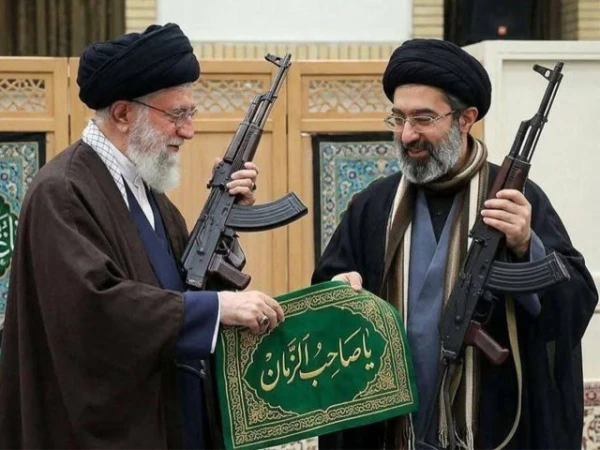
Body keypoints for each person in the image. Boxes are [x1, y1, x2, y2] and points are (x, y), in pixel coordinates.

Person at [0, 23, 284, 449]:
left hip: (174, 417)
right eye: (177, 115)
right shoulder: (63, 191)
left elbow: (183, 288)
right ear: (122, 114)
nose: (189, 131)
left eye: (190, 114)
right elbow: (95, 310)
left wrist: (225, 224)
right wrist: (217, 308)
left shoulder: (147, 193)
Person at [312, 39, 598, 450]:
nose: (407, 134)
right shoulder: (374, 206)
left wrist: (526, 245)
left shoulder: (517, 200)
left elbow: (576, 304)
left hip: (491, 427)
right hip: (387, 430)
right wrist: (339, 292)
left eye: (423, 118)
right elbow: (326, 294)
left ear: (466, 119)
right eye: (398, 118)